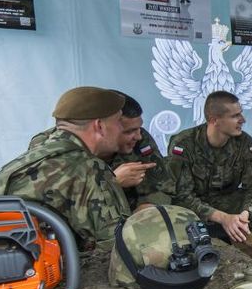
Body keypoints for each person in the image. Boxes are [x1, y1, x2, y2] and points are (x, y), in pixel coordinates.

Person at [0, 86, 131, 274]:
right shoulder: (87, 167)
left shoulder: (37, 155)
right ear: (99, 126)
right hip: (2, 275)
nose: (121, 129)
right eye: (118, 122)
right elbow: (118, 246)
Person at [167, 91, 252, 262]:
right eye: (235, 116)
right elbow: (182, 196)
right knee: (175, 215)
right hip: (193, 207)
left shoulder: (245, 143)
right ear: (214, 120)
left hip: (227, 201)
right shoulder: (183, 144)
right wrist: (223, 218)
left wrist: (245, 213)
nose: (243, 120)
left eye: (241, 113)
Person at [30, 91, 171, 212]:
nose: (138, 136)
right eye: (128, 131)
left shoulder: (140, 140)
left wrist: (147, 208)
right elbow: (54, 203)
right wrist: (112, 182)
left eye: (138, 128)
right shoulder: (52, 146)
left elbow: (161, 185)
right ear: (102, 127)